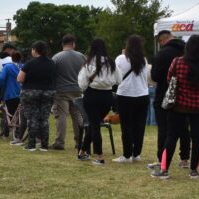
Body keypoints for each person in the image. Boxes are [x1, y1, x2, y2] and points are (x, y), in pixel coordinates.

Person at [151, 35, 199, 179]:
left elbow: (169, 80)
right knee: (197, 137)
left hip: (179, 106)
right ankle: (194, 170)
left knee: (171, 137)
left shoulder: (178, 62)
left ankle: (164, 169)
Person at [77, 38, 120, 164]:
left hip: (91, 95)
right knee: (94, 124)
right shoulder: (111, 62)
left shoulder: (88, 63)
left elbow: (82, 83)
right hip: (107, 96)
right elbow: (119, 80)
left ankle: (100, 157)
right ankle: (82, 152)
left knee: (95, 126)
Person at [150, 31, 188, 169]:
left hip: (164, 94)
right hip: (185, 95)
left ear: (161, 41)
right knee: (184, 128)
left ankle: (162, 159)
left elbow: (154, 76)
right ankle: (185, 158)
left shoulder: (162, 54)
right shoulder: (187, 50)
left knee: (164, 129)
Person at [114, 35, 150, 163]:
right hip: (142, 94)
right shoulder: (144, 60)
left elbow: (115, 75)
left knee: (126, 126)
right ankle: (136, 154)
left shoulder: (121, 58)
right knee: (139, 126)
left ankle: (127, 155)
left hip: (125, 94)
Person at [18, 41, 57, 152]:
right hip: (48, 92)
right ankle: (44, 145)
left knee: (32, 118)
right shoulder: (52, 63)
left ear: (34, 50)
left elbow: (20, 78)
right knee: (44, 118)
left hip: (31, 92)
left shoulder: (30, 63)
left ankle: (31, 145)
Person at [51, 34, 86, 151]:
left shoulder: (57, 57)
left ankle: (59, 142)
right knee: (77, 116)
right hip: (77, 89)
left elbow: (52, 74)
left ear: (62, 44)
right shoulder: (82, 56)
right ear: (73, 44)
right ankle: (79, 141)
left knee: (61, 116)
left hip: (61, 90)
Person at [0, 51, 23, 142]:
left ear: (11, 58)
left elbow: (1, 78)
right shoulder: (23, 67)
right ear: (20, 58)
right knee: (20, 114)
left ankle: (6, 134)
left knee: (9, 113)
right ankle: (18, 133)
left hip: (10, 93)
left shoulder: (7, 67)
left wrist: (2, 86)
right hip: (22, 93)